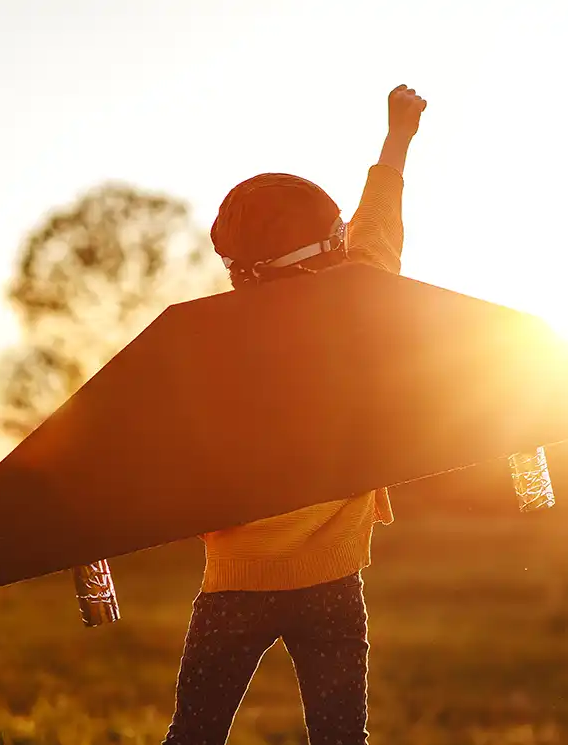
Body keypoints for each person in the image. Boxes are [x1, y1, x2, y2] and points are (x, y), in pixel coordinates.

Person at [162, 84, 427, 745]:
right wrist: (397, 139)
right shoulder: (360, 303)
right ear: (328, 253)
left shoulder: (210, 352)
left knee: (193, 735)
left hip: (234, 583)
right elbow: (378, 224)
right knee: (342, 741)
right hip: (333, 580)